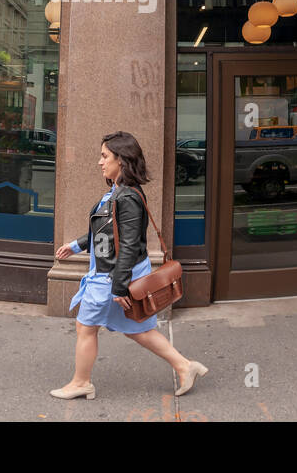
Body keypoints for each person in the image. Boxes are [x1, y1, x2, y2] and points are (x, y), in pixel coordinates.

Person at [51, 131, 206, 400]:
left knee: (86, 327)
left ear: (121, 160)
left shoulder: (127, 198)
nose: (100, 162)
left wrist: (119, 287)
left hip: (110, 278)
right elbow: (106, 232)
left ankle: (81, 383)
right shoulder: (117, 192)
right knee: (138, 330)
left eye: (105, 156)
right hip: (114, 275)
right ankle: (185, 366)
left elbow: (130, 245)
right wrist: (76, 245)